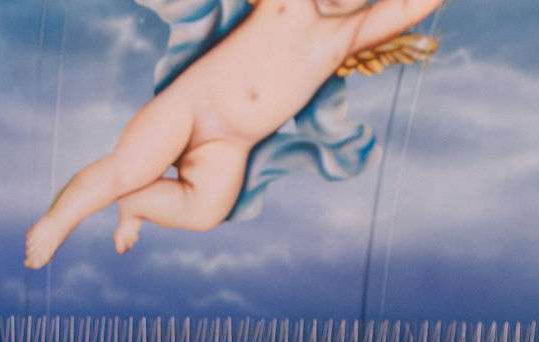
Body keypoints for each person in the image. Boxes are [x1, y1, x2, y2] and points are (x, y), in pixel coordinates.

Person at [24, 0, 438, 267]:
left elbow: (409, 6)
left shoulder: (350, 33)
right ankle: (59, 220)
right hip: (188, 108)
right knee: (125, 170)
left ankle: (135, 205)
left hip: (228, 147)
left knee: (204, 211)